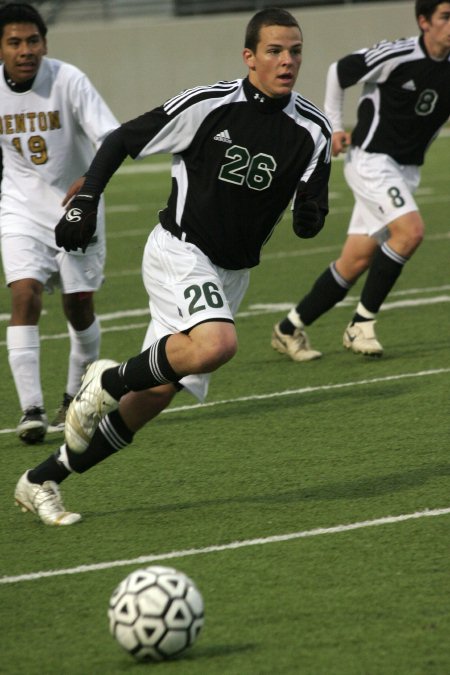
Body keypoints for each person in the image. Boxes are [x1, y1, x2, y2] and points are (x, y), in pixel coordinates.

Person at [13, 6, 332, 525]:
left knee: (153, 396)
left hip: (231, 275)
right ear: (249, 57)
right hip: (180, 252)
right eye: (274, 50)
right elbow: (121, 139)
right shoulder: (209, 104)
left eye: (295, 51)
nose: (287, 61)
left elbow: (313, 202)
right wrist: (86, 199)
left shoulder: (312, 129)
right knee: (218, 345)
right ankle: (106, 379)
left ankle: (42, 479)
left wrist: (313, 215)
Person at [271, 0, 450, 362]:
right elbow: (340, 71)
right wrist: (335, 127)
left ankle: (288, 329)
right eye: (446, 17)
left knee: (355, 260)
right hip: (371, 161)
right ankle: (361, 324)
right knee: (410, 232)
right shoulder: (398, 55)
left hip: (406, 171)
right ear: (424, 22)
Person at [0, 2, 119, 443]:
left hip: (77, 205)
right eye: (14, 42)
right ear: (1, 49)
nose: (25, 49)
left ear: (44, 43)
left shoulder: (68, 80)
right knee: (24, 295)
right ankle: (31, 409)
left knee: (78, 306)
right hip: (20, 208)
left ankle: (73, 395)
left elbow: (109, 135)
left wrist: (90, 183)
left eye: (33, 41)